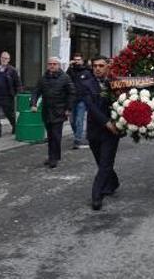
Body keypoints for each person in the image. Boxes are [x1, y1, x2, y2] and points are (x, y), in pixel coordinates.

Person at [79, 55, 123, 210]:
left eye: (101, 66)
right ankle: (114, 182)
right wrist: (106, 122)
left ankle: (96, 196)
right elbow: (91, 107)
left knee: (105, 163)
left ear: (108, 67)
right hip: (95, 130)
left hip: (112, 132)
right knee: (101, 162)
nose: (97, 68)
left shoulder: (116, 83)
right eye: (95, 66)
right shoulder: (86, 84)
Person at [31, 57, 75, 169]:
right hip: (46, 110)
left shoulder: (65, 77)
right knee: (50, 135)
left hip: (59, 111)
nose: (52, 65)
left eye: (54, 64)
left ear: (59, 65)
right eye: (50, 63)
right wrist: (34, 104)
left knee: (56, 136)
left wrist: (69, 108)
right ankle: (52, 156)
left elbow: (72, 93)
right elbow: (36, 91)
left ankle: (54, 158)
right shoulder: (43, 78)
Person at [0, 51, 21, 139]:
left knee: (9, 114)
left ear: (9, 60)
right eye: (3, 58)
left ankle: (15, 126)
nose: (4, 60)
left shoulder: (12, 70)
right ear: (0, 58)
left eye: (6, 58)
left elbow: (18, 83)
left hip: (7, 96)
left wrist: (16, 94)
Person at [67, 53, 93, 149]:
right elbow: (65, 79)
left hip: (82, 100)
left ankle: (77, 139)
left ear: (82, 61)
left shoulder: (86, 71)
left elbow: (90, 84)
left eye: (79, 59)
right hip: (71, 99)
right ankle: (77, 135)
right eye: (75, 60)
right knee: (72, 120)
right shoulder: (71, 70)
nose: (77, 61)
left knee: (79, 120)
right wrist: (70, 66)